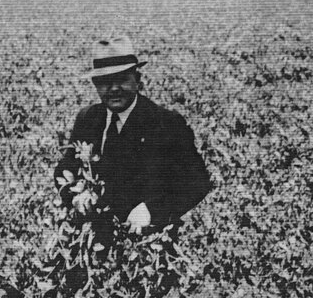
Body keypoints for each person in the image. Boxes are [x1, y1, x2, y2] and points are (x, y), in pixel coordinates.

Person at [54, 36, 212, 238]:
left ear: (137, 80)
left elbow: (197, 182)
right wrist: (76, 194)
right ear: (95, 84)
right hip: (94, 235)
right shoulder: (88, 118)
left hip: (148, 238)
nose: (114, 88)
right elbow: (66, 168)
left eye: (122, 79)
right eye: (105, 82)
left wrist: (151, 210)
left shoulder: (166, 123)